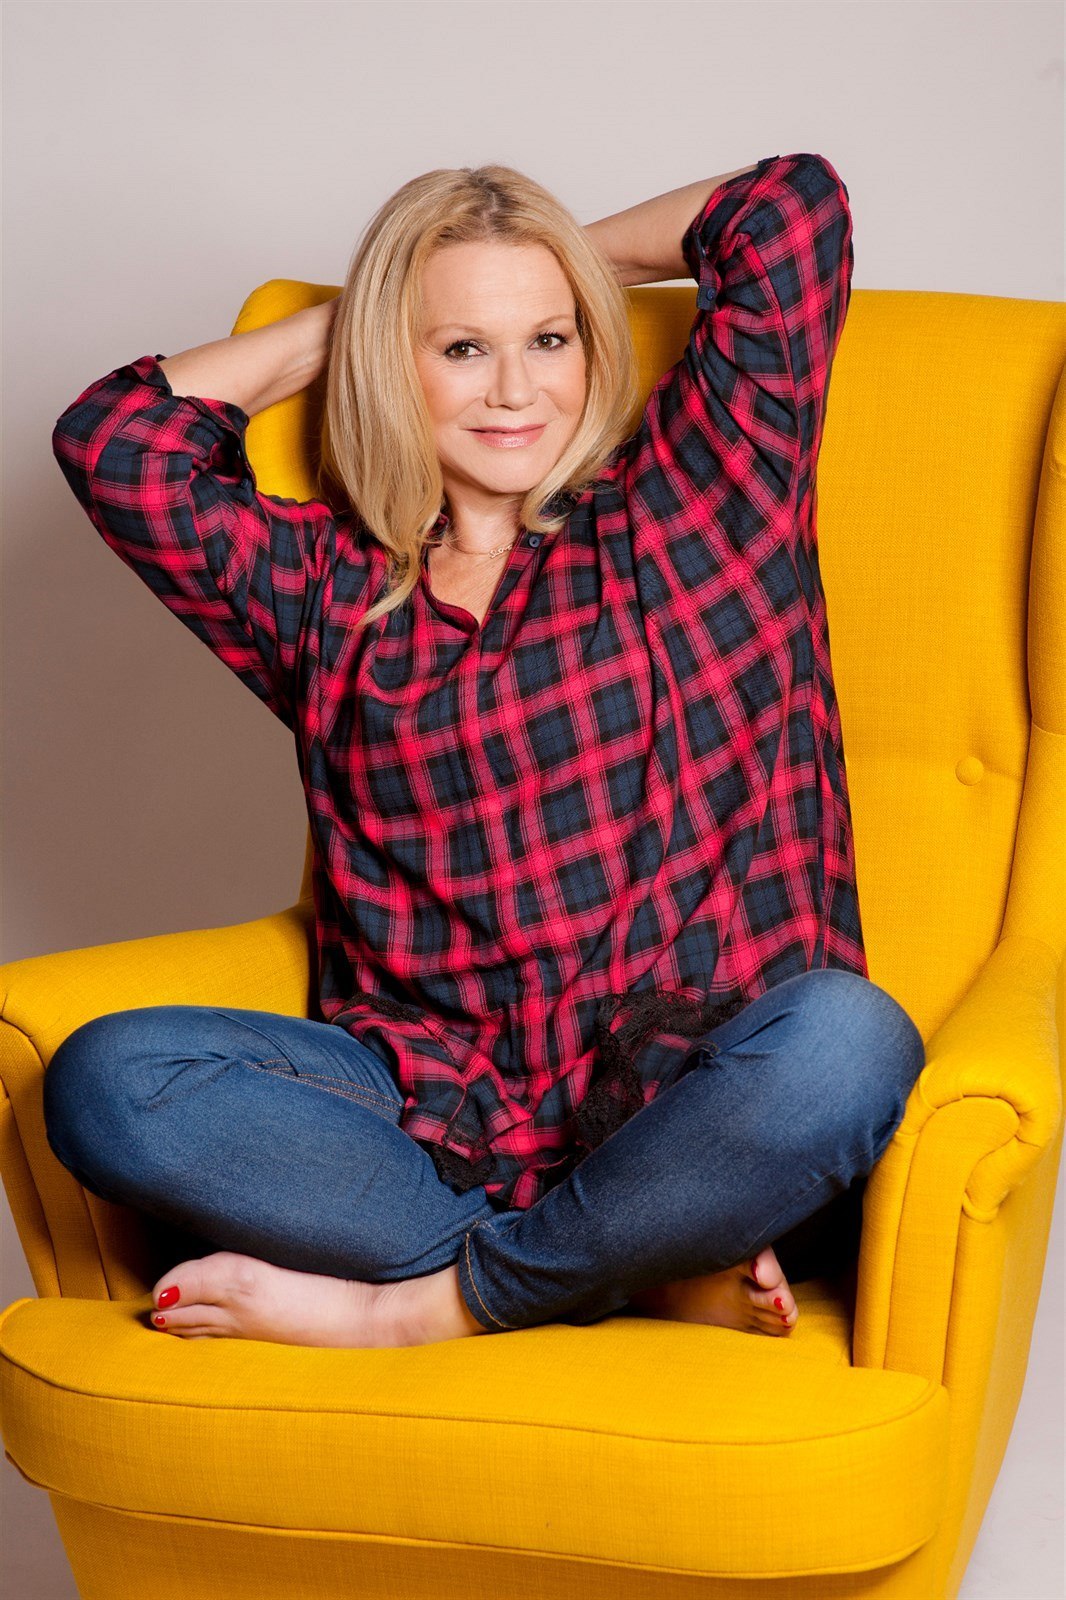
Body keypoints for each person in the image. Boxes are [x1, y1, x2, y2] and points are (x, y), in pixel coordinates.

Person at [43, 153, 926, 1349]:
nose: (515, 388)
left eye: (549, 338)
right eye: (461, 347)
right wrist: (366, 310)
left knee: (848, 1041)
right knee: (109, 1082)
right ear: (391, 360)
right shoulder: (324, 591)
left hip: (697, 1114)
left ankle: (424, 1309)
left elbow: (786, 208)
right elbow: (116, 442)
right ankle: (622, 1267)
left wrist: (547, 256)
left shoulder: (703, 500)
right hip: (433, 1117)